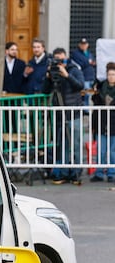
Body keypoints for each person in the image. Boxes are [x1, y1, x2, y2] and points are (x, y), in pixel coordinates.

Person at [42, 47, 84, 185]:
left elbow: (80, 86)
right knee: (63, 146)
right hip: (60, 114)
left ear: (65, 57)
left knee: (76, 145)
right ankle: (64, 172)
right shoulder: (53, 72)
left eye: (60, 59)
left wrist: (67, 75)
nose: (58, 62)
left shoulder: (74, 70)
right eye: (56, 59)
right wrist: (48, 77)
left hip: (74, 114)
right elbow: (45, 91)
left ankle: (76, 173)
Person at [90, 62, 115, 183]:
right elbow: (95, 104)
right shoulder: (100, 87)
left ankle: (112, 173)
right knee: (101, 150)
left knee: (113, 151)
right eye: (109, 74)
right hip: (101, 122)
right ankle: (99, 173)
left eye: (113, 74)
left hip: (114, 124)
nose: (111, 77)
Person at [2, 42, 27, 134]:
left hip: (17, 95)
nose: (14, 52)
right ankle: (5, 141)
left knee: (15, 119)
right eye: (12, 49)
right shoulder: (1, 63)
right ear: (6, 51)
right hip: (4, 96)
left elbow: (23, 79)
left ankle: (15, 141)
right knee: (5, 119)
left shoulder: (21, 63)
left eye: (16, 50)